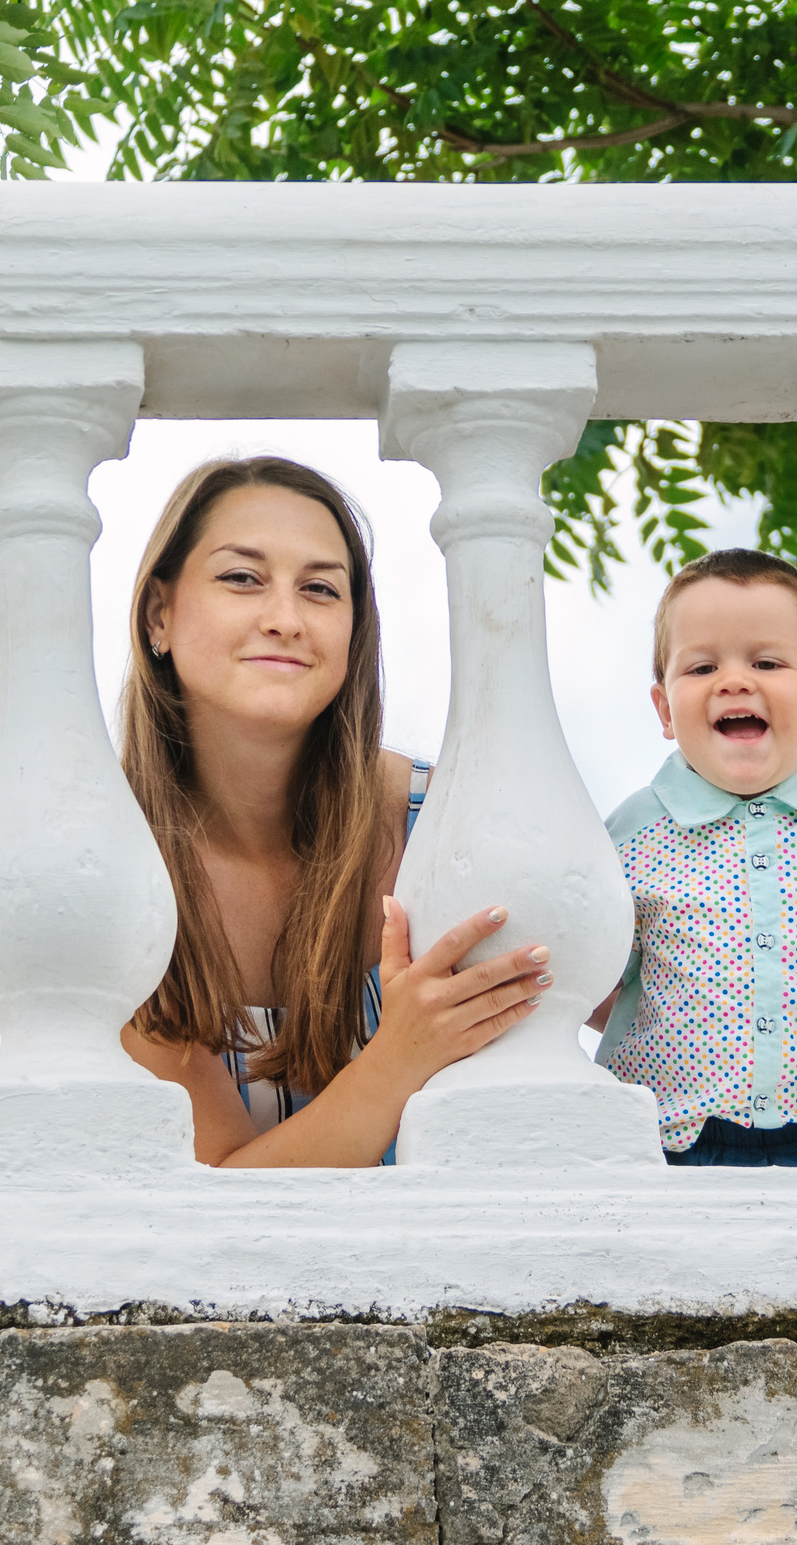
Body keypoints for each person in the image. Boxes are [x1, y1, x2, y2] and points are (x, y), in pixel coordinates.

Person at [115, 456, 552, 1166]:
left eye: (319, 589)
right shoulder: (110, 867)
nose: (285, 618)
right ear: (159, 613)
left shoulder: (441, 825)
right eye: (241, 577)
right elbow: (224, 1198)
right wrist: (398, 1059)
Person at [588, 549, 797, 1167]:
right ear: (665, 709)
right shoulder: (628, 835)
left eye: (767, 662)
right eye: (702, 666)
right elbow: (584, 979)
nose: (734, 680)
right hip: (659, 1144)